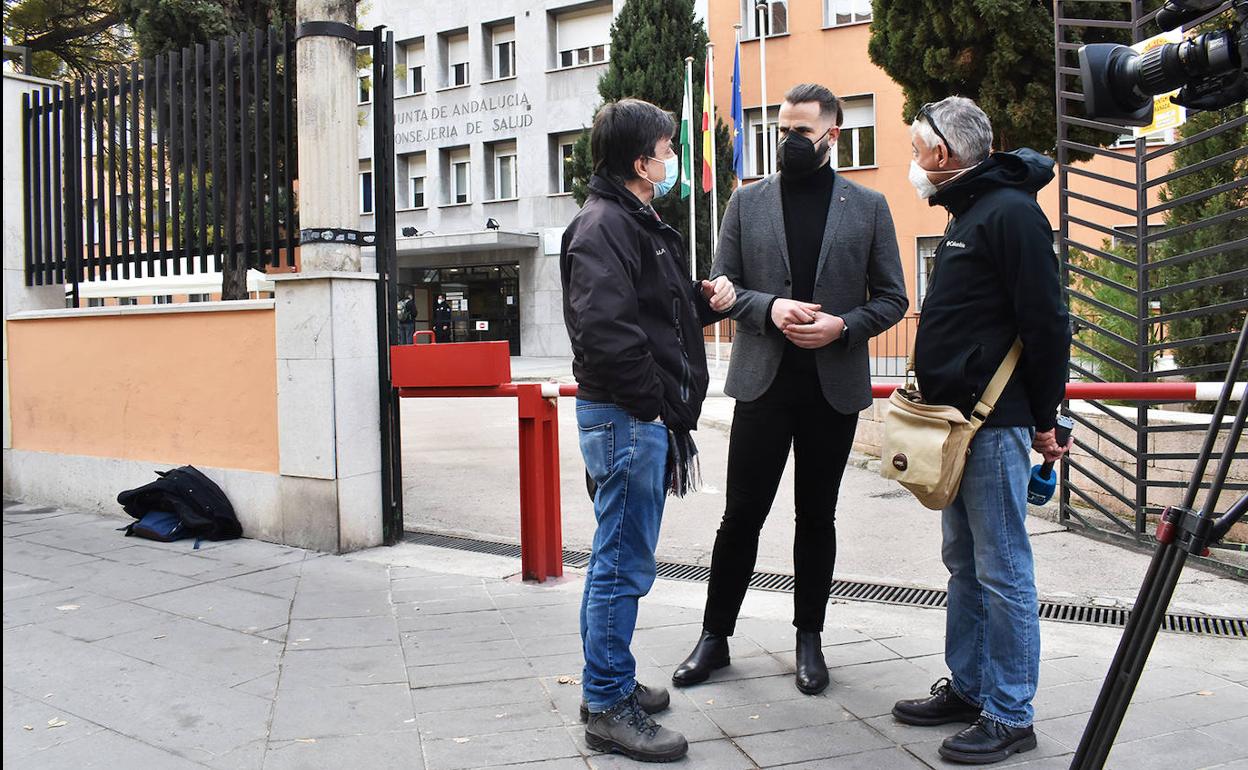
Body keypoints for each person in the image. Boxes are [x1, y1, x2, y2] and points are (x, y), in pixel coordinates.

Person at [673, 83, 908, 695]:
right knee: (741, 515)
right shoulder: (745, 204)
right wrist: (770, 307)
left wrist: (842, 326)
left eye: (800, 131)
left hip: (832, 389)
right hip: (762, 383)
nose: (788, 141)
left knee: (816, 518)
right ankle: (714, 637)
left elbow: (892, 299)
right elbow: (721, 287)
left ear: (832, 134)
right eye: (782, 129)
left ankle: (809, 638)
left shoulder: (870, 206)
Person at [889, 96, 1071, 765]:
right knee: (964, 565)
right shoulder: (974, 212)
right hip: (957, 426)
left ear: (942, 153)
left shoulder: (1012, 214)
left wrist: (1047, 421)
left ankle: (1010, 711)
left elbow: (1047, 324)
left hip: (993, 429)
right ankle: (970, 688)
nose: (912, 161)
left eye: (915, 149)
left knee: (1002, 571)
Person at [561, 97, 736, 763]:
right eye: (667, 149)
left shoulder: (630, 220)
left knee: (616, 561)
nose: (673, 158)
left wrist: (699, 296)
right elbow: (608, 332)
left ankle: (605, 683)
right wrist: (656, 408)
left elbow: (647, 305)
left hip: (632, 417)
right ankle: (608, 704)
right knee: (620, 567)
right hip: (629, 418)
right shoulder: (605, 225)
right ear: (641, 162)